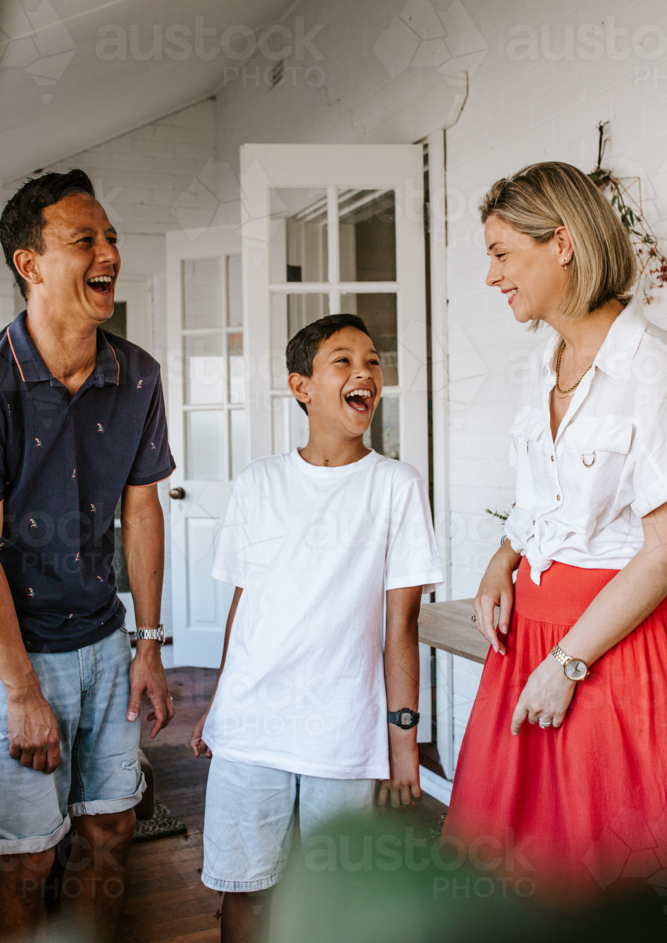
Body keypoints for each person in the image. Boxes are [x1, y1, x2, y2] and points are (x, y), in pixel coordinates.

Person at [444, 161, 667, 900]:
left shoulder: (653, 370)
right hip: (529, 645)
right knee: (507, 879)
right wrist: (501, 558)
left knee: (594, 885)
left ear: (562, 244)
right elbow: (542, 501)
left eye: (501, 254)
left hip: (605, 650)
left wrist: (566, 664)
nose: (491, 276)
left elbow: (663, 553)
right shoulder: (541, 363)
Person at [190, 313, 443, 943]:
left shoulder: (396, 486)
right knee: (247, 893)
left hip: (344, 732)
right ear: (301, 386)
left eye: (373, 362)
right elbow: (245, 603)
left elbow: (402, 625)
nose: (365, 372)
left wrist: (403, 744)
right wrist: (218, 703)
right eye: (343, 361)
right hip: (252, 726)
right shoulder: (259, 482)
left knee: (337, 903)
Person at [0, 170, 176, 941]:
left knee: (112, 830)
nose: (108, 254)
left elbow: (142, 512)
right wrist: (21, 690)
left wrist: (148, 644)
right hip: (16, 652)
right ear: (29, 264)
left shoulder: (137, 374)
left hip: (105, 642)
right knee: (25, 858)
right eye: (84, 240)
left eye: (110, 239)